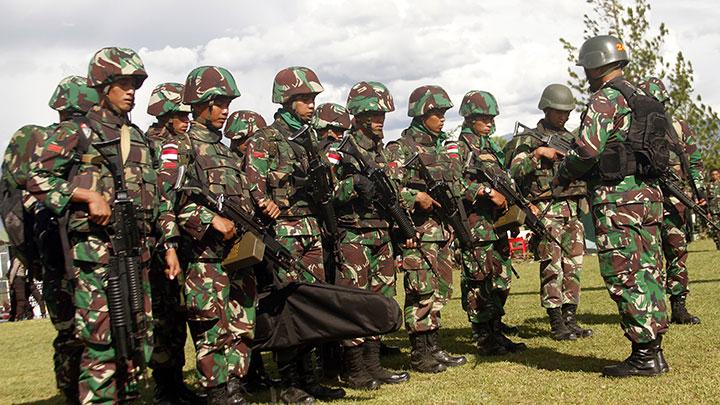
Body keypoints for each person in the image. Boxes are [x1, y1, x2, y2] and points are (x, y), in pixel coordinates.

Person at [28, 47, 182, 402]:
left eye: (134, 84)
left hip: (139, 254)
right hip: (97, 256)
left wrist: (169, 245)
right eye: (122, 83)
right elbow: (36, 176)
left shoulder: (139, 137)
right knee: (101, 345)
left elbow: (157, 197)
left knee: (137, 341)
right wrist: (86, 196)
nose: (131, 91)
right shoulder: (78, 131)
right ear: (103, 86)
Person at [554, 35, 668, 377]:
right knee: (648, 270)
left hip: (618, 200)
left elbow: (587, 150)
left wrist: (564, 171)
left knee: (625, 272)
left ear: (594, 64)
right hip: (647, 196)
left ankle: (644, 355)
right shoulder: (644, 99)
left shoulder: (606, 99)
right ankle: (653, 350)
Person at [245, 66, 345, 404]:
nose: (311, 104)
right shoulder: (266, 138)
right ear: (286, 100)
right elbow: (252, 183)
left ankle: (310, 377)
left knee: (311, 302)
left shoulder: (313, 138)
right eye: (303, 98)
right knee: (287, 305)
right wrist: (265, 202)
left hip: (311, 229)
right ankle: (289, 381)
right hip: (283, 233)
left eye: (313, 98)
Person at [322, 81, 410, 389]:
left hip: (381, 234)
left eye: (382, 114)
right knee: (354, 302)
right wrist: (353, 184)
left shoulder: (380, 152)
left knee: (380, 298)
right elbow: (327, 192)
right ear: (357, 116)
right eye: (373, 114)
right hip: (353, 235)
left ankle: (374, 364)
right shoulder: (338, 151)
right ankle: (355, 369)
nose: (380, 120)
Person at [386, 85, 467, 373]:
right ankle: (420, 353)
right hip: (418, 233)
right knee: (421, 291)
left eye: (444, 112)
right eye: (436, 112)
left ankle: (434, 346)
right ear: (421, 113)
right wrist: (414, 197)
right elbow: (390, 190)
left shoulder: (443, 147)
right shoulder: (400, 148)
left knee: (440, 291)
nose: (442, 117)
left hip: (442, 232)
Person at [508, 84, 592, 340]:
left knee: (573, 266)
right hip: (547, 210)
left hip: (572, 210)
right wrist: (536, 154)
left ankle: (570, 318)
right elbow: (514, 170)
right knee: (552, 266)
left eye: (567, 112)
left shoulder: (571, 140)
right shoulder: (529, 139)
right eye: (559, 112)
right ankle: (556, 322)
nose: (564, 116)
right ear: (546, 109)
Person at [454, 90, 528, 354]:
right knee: (479, 280)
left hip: (498, 226)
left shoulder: (490, 148)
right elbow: (453, 183)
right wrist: (485, 192)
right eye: (483, 118)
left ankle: (496, 331)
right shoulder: (460, 148)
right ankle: (484, 336)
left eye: (491, 118)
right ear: (469, 118)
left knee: (500, 279)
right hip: (476, 225)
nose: (489, 123)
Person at [144, 82, 204, 404]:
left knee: (177, 317)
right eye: (180, 114)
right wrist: (168, 244)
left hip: (177, 241)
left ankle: (176, 384)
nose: (187, 119)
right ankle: (165, 388)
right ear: (165, 115)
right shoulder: (160, 146)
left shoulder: (177, 144)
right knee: (165, 319)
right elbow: (164, 196)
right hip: (159, 244)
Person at [639, 76, 704, 325]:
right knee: (650, 257)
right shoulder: (637, 130)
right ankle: (654, 309)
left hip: (677, 203)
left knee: (677, 252)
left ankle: (679, 306)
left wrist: (697, 193)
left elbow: (694, 162)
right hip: (648, 202)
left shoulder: (679, 129)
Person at [708, 169, 720, 249]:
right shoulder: (708, 186)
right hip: (713, 211)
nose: (714, 176)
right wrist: (708, 212)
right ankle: (718, 244)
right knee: (714, 229)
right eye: (712, 174)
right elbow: (706, 199)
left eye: (716, 174)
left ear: (719, 174)